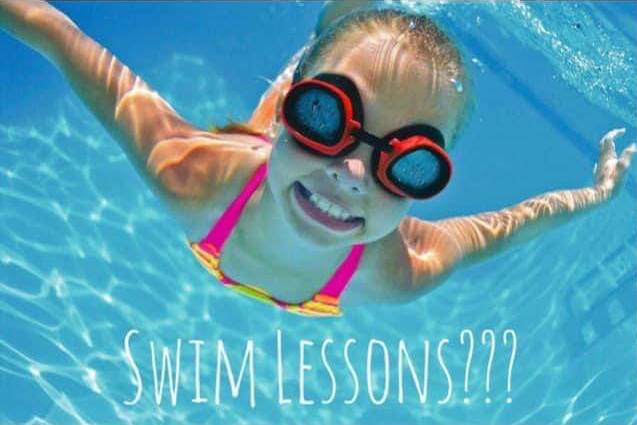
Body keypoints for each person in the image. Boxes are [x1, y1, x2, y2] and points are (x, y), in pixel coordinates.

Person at [1, 0, 634, 317]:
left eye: (406, 163)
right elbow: (66, 42)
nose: (353, 174)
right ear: (292, 116)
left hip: (269, 169)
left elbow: (512, 224)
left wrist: (600, 193)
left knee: (309, 107)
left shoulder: (399, 272)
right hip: (250, 169)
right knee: (280, 108)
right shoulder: (195, 178)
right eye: (324, 120)